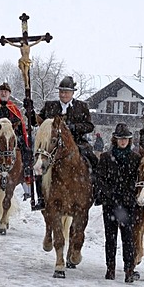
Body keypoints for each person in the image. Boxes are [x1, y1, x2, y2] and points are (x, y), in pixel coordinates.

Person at [25, 76, 98, 210]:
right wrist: (30, 111)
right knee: (40, 166)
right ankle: (41, 197)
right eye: (61, 91)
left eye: (66, 92)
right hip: (53, 145)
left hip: (77, 143)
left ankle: (95, 191)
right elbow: (37, 122)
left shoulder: (82, 107)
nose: (63, 94)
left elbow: (89, 126)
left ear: (72, 93)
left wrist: (74, 127)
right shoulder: (50, 106)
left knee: (92, 160)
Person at [96, 123, 141, 283]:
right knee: (110, 238)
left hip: (127, 205)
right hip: (110, 205)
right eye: (121, 139)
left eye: (126, 139)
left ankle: (129, 269)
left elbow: (137, 180)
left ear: (129, 140)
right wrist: (109, 194)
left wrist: (129, 195)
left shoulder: (136, 159)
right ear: (115, 139)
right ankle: (110, 268)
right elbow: (100, 179)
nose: (123, 142)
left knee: (128, 238)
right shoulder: (106, 157)